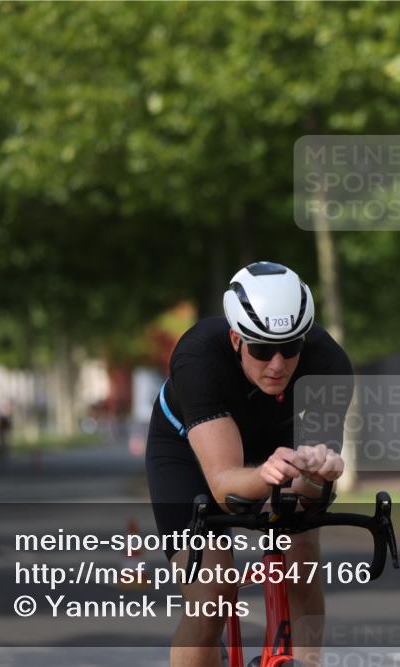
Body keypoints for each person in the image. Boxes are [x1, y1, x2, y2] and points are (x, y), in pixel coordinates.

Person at [146, 261, 351, 667]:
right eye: (261, 349)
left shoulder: (328, 365)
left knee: (302, 548)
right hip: (187, 450)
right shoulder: (198, 356)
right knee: (212, 593)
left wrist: (316, 475)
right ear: (236, 339)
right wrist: (266, 473)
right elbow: (225, 487)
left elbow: (314, 495)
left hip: (278, 444)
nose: (277, 364)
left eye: (290, 348)